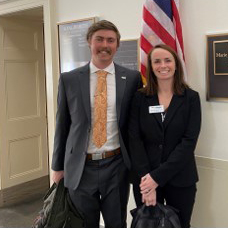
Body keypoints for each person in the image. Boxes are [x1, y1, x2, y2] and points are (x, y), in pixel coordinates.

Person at [51, 20, 142, 228]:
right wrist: (57, 166)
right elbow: (62, 125)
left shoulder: (132, 78)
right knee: (83, 224)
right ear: (89, 42)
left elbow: (134, 126)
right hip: (81, 167)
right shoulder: (69, 80)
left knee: (117, 223)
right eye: (99, 39)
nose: (105, 45)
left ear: (117, 45)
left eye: (110, 40)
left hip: (116, 165)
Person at [129, 44, 202, 228]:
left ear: (176, 65)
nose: (163, 65)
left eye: (168, 60)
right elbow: (134, 139)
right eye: (157, 61)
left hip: (181, 177)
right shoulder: (139, 98)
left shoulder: (190, 98)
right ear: (151, 67)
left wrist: (157, 178)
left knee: (181, 224)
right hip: (145, 178)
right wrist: (148, 181)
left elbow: (188, 142)